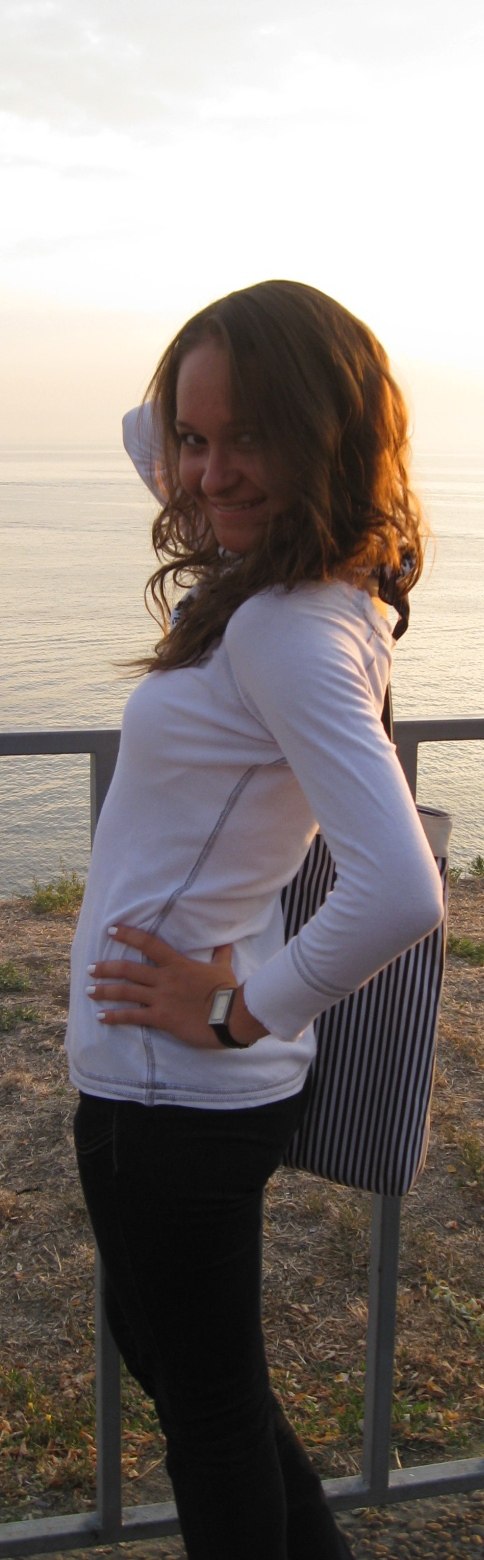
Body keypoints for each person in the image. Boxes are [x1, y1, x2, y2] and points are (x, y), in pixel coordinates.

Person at [67, 279, 443, 1560]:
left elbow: (400, 888)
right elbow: (150, 434)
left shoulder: (284, 628)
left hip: (173, 1087)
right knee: (203, 1383)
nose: (206, 474)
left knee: (209, 1414)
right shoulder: (288, 580)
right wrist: (210, 381)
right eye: (195, 440)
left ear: (325, 435)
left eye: (250, 438)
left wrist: (239, 1009)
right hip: (170, 1086)